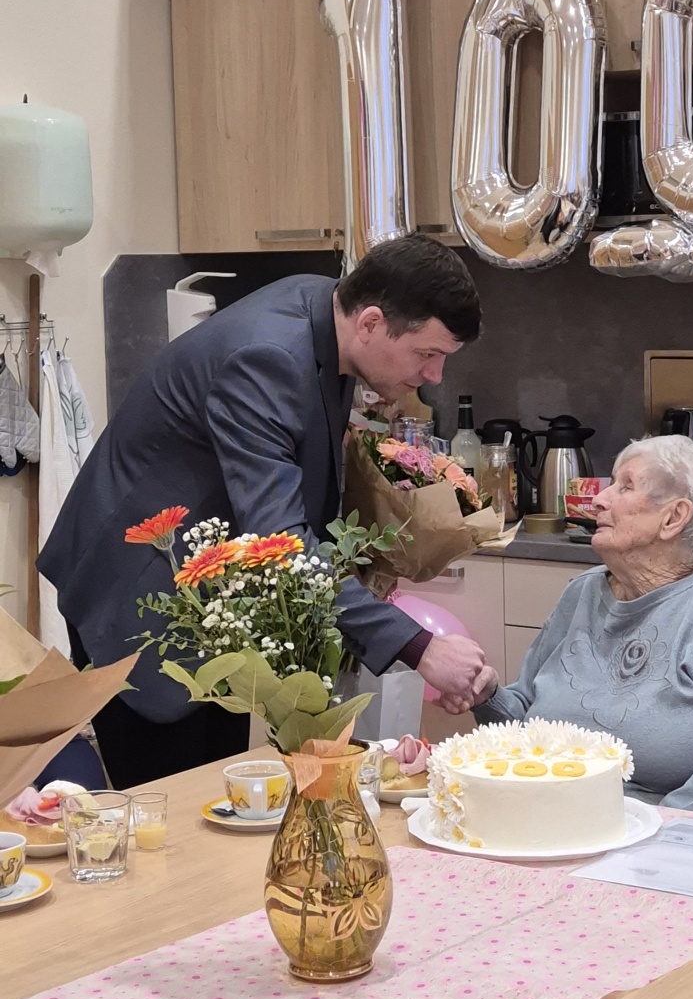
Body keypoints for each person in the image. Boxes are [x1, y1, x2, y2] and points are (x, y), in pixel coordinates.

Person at [38, 237, 487, 785]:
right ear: (371, 323)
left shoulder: (327, 312)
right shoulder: (267, 356)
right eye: (427, 354)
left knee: (222, 797)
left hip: (211, 595)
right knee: (173, 808)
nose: (435, 375)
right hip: (138, 595)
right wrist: (420, 648)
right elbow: (282, 547)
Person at [449, 435, 693, 818]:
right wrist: (486, 695)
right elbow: (524, 723)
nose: (599, 499)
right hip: (544, 817)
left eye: (625, 486)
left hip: (658, 834)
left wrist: (649, 823)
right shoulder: (582, 592)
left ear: (673, 518)